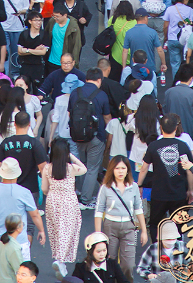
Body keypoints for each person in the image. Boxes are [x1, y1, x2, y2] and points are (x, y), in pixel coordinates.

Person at [137, 113, 193, 241]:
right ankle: (177, 250)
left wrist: (139, 185)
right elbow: (189, 171)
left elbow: (144, 168)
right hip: (178, 192)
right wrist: (190, 190)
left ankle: (156, 249)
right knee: (178, 224)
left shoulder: (153, 146)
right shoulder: (183, 146)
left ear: (161, 128)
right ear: (176, 128)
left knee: (155, 223)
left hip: (159, 193)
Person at [0, 110, 47, 229]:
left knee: (9, 221)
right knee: (29, 225)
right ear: (29, 124)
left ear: (14, 124)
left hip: (8, 187)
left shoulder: (6, 143)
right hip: (31, 187)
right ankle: (26, 247)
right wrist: (46, 187)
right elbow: (43, 167)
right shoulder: (34, 143)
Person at [0, 158, 45, 265]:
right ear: (17, 174)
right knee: (23, 271)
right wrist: (41, 230)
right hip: (19, 239)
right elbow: (35, 215)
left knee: (2, 269)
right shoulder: (25, 192)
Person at [94, 157, 147, 280]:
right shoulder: (105, 187)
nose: (120, 171)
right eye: (117, 168)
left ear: (128, 170)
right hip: (110, 226)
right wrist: (98, 235)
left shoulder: (133, 187)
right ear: (112, 170)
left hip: (129, 227)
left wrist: (144, 230)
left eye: (123, 168)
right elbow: (98, 210)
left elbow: (138, 209)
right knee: (109, 261)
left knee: (128, 264)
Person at [41, 139, 87, 280]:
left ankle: (59, 258)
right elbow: (84, 169)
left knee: (56, 230)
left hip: (52, 201)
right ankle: (60, 260)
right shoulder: (71, 168)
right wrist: (71, 156)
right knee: (68, 231)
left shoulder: (47, 168)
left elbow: (44, 189)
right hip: (68, 201)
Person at [68, 68, 111, 210]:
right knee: (92, 168)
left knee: (81, 164)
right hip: (95, 136)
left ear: (86, 79)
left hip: (77, 135)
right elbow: (106, 118)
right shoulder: (102, 95)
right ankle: (85, 200)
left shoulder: (75, 93)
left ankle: (79, 192)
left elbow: (70, 114)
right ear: (99, 80)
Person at [121, 10, 166, 87]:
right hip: (150, 68)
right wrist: (163, 63)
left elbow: (125, 51)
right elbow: (160, 50)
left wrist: (124, 66)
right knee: (151, 88)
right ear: (145, 18)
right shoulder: (152, 32)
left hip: (134, 69)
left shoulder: (129, 33)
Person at [17, 13, 48, 89]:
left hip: (38, 66)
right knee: (24, 88)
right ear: (30, 21)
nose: (39, 22)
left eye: (40, 20)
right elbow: (19, 52)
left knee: (37, 89)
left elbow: (43, 52)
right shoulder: (24, 34)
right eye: (36, 20)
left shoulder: (44, 34)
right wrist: (35, 50)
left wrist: (27, 50)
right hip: (25, 65)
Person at [0, 214, 23, 283]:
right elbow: (20, 271)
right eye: (23, 224)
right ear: (18, 228)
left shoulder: (2, 241)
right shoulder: (14, 248)